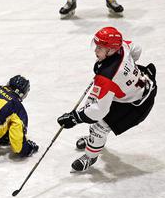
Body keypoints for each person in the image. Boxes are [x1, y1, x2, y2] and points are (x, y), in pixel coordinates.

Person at [57, 27, 156, 171]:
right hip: (142, 84)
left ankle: (91, 156)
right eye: (96, 46)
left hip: (136, 105)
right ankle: (94, 140)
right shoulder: (122, 47)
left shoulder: (107, 76)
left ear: (111, 51)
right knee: (90, 106)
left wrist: (74, 118)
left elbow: (99, 111)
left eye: (100, 48)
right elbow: (137, 49)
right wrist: (126, 72)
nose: (95, 51)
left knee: (100, 125)